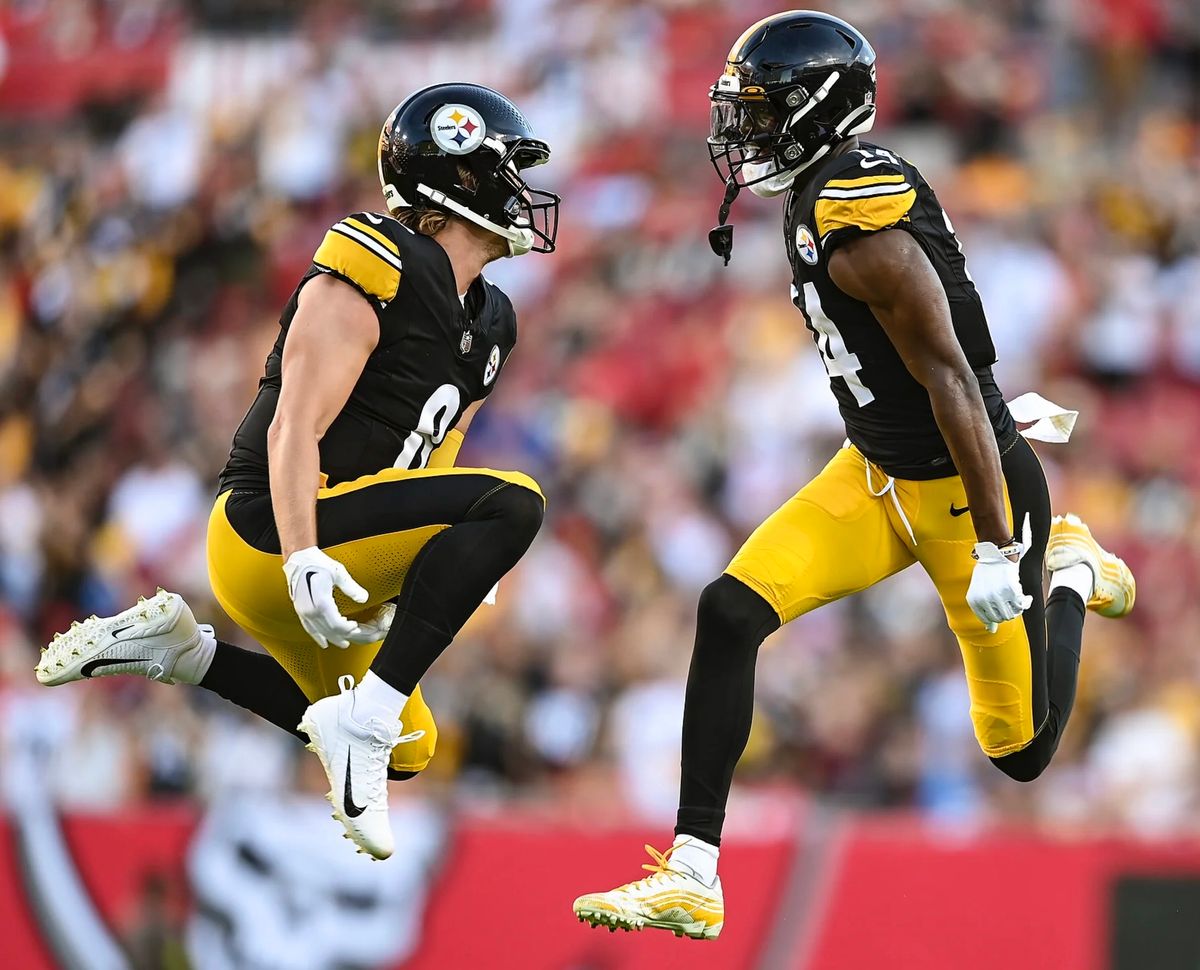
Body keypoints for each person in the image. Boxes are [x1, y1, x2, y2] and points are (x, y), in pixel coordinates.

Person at [572, 11, 1135, 940]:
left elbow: (951, 374)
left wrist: (1004, 546)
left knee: (1023, 753)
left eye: (761, 111)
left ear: (819, 110)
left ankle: (1068, 568)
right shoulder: (821, 192)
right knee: (730, 610)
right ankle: (693, 870)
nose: (741, 131)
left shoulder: (858, 221)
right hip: (874, 472)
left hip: (968, 488)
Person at [36, 82, 559, 860]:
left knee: (411, 750)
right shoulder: (374, 262)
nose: (523, 190)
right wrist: (305, 550)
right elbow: (294, 426)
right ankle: (362, 719)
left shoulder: (493, 321)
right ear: (457, 180)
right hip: (269, 533)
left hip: (343, 553)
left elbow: (437, 459)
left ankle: (188, 653)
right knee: (515, 502)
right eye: (507, 169)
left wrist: (432, 563)